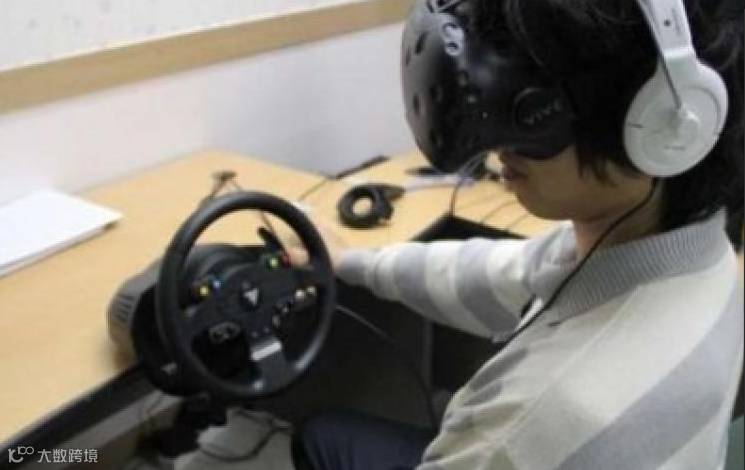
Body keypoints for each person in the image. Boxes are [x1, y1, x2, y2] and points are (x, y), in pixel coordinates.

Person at [288, 0, 744, 468]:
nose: (492, 137)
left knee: (322, 436)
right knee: (329, 433)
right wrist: (351, 261)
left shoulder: (519, 434)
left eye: (533, 106)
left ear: (668, 121)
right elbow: (505, 274)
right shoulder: (701, 249)